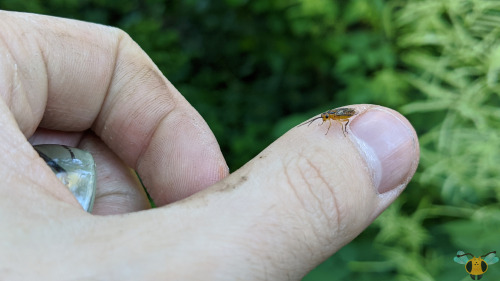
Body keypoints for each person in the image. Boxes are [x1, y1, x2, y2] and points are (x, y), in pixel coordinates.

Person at [0, 10, 419, 280]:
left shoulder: (337, 120)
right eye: (330, 118)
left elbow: (338, 123)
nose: (330, 119)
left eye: (330, 118)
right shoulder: (331, 119)